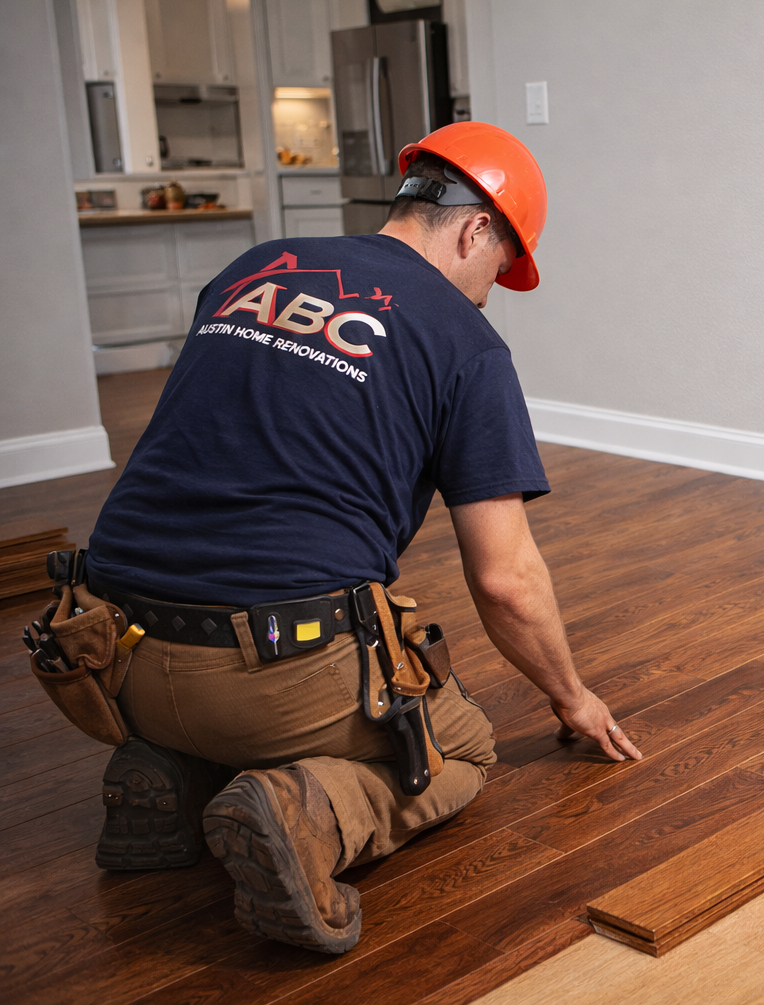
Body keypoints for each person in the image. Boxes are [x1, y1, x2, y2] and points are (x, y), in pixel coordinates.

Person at [65, 122, 639, 954]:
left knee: (214, 694)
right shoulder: (464, 341)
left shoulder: (253, 267)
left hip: (110, 653)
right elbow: (507, 578)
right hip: (267, 672)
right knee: (464, 750)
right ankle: (310, 820)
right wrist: (572, 696)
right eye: (499, 269)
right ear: (475, 228)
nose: (489, 293)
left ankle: (172, 773)